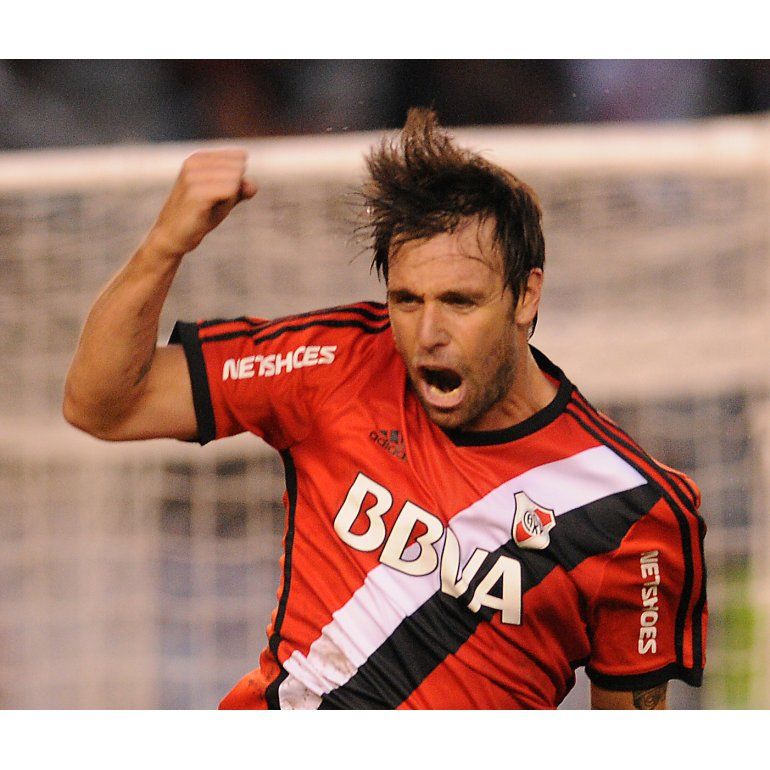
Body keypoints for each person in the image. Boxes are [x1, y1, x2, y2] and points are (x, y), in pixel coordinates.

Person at [63, 108, 706, 710]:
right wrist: (164, 246)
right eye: (407, 299)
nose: (428, 334)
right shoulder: (335, 362)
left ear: (526, 296)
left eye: (459, 301)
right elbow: (102, 406)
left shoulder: (636, 511)